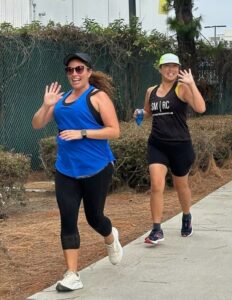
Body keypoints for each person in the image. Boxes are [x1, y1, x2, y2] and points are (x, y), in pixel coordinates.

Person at [32, 52, 123, 291]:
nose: (74, 74)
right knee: (68, 219)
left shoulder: (98, 97)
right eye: (70, 70)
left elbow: (114, 131)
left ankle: (110, 236)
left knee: (95, 218)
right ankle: (72, 274)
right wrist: (46, 105)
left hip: (97, 168)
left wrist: (82, 132)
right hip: (66, 171)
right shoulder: (60, 101)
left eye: (79, 69)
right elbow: (37, 124)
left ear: (89, 72)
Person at [133, 53, 206, 245]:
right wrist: (141, 113)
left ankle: (186, 216)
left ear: (179, 69)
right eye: (167, 66)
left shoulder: (182, 88)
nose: (171, 69)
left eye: (175, 66)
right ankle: (157, 229)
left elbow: (200, 108)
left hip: (180, 145)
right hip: (157, 144)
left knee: (181, 185)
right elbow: (149, 111)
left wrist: (191, 84)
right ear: (160, 69)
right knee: (156, 186)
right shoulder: (151, 91)